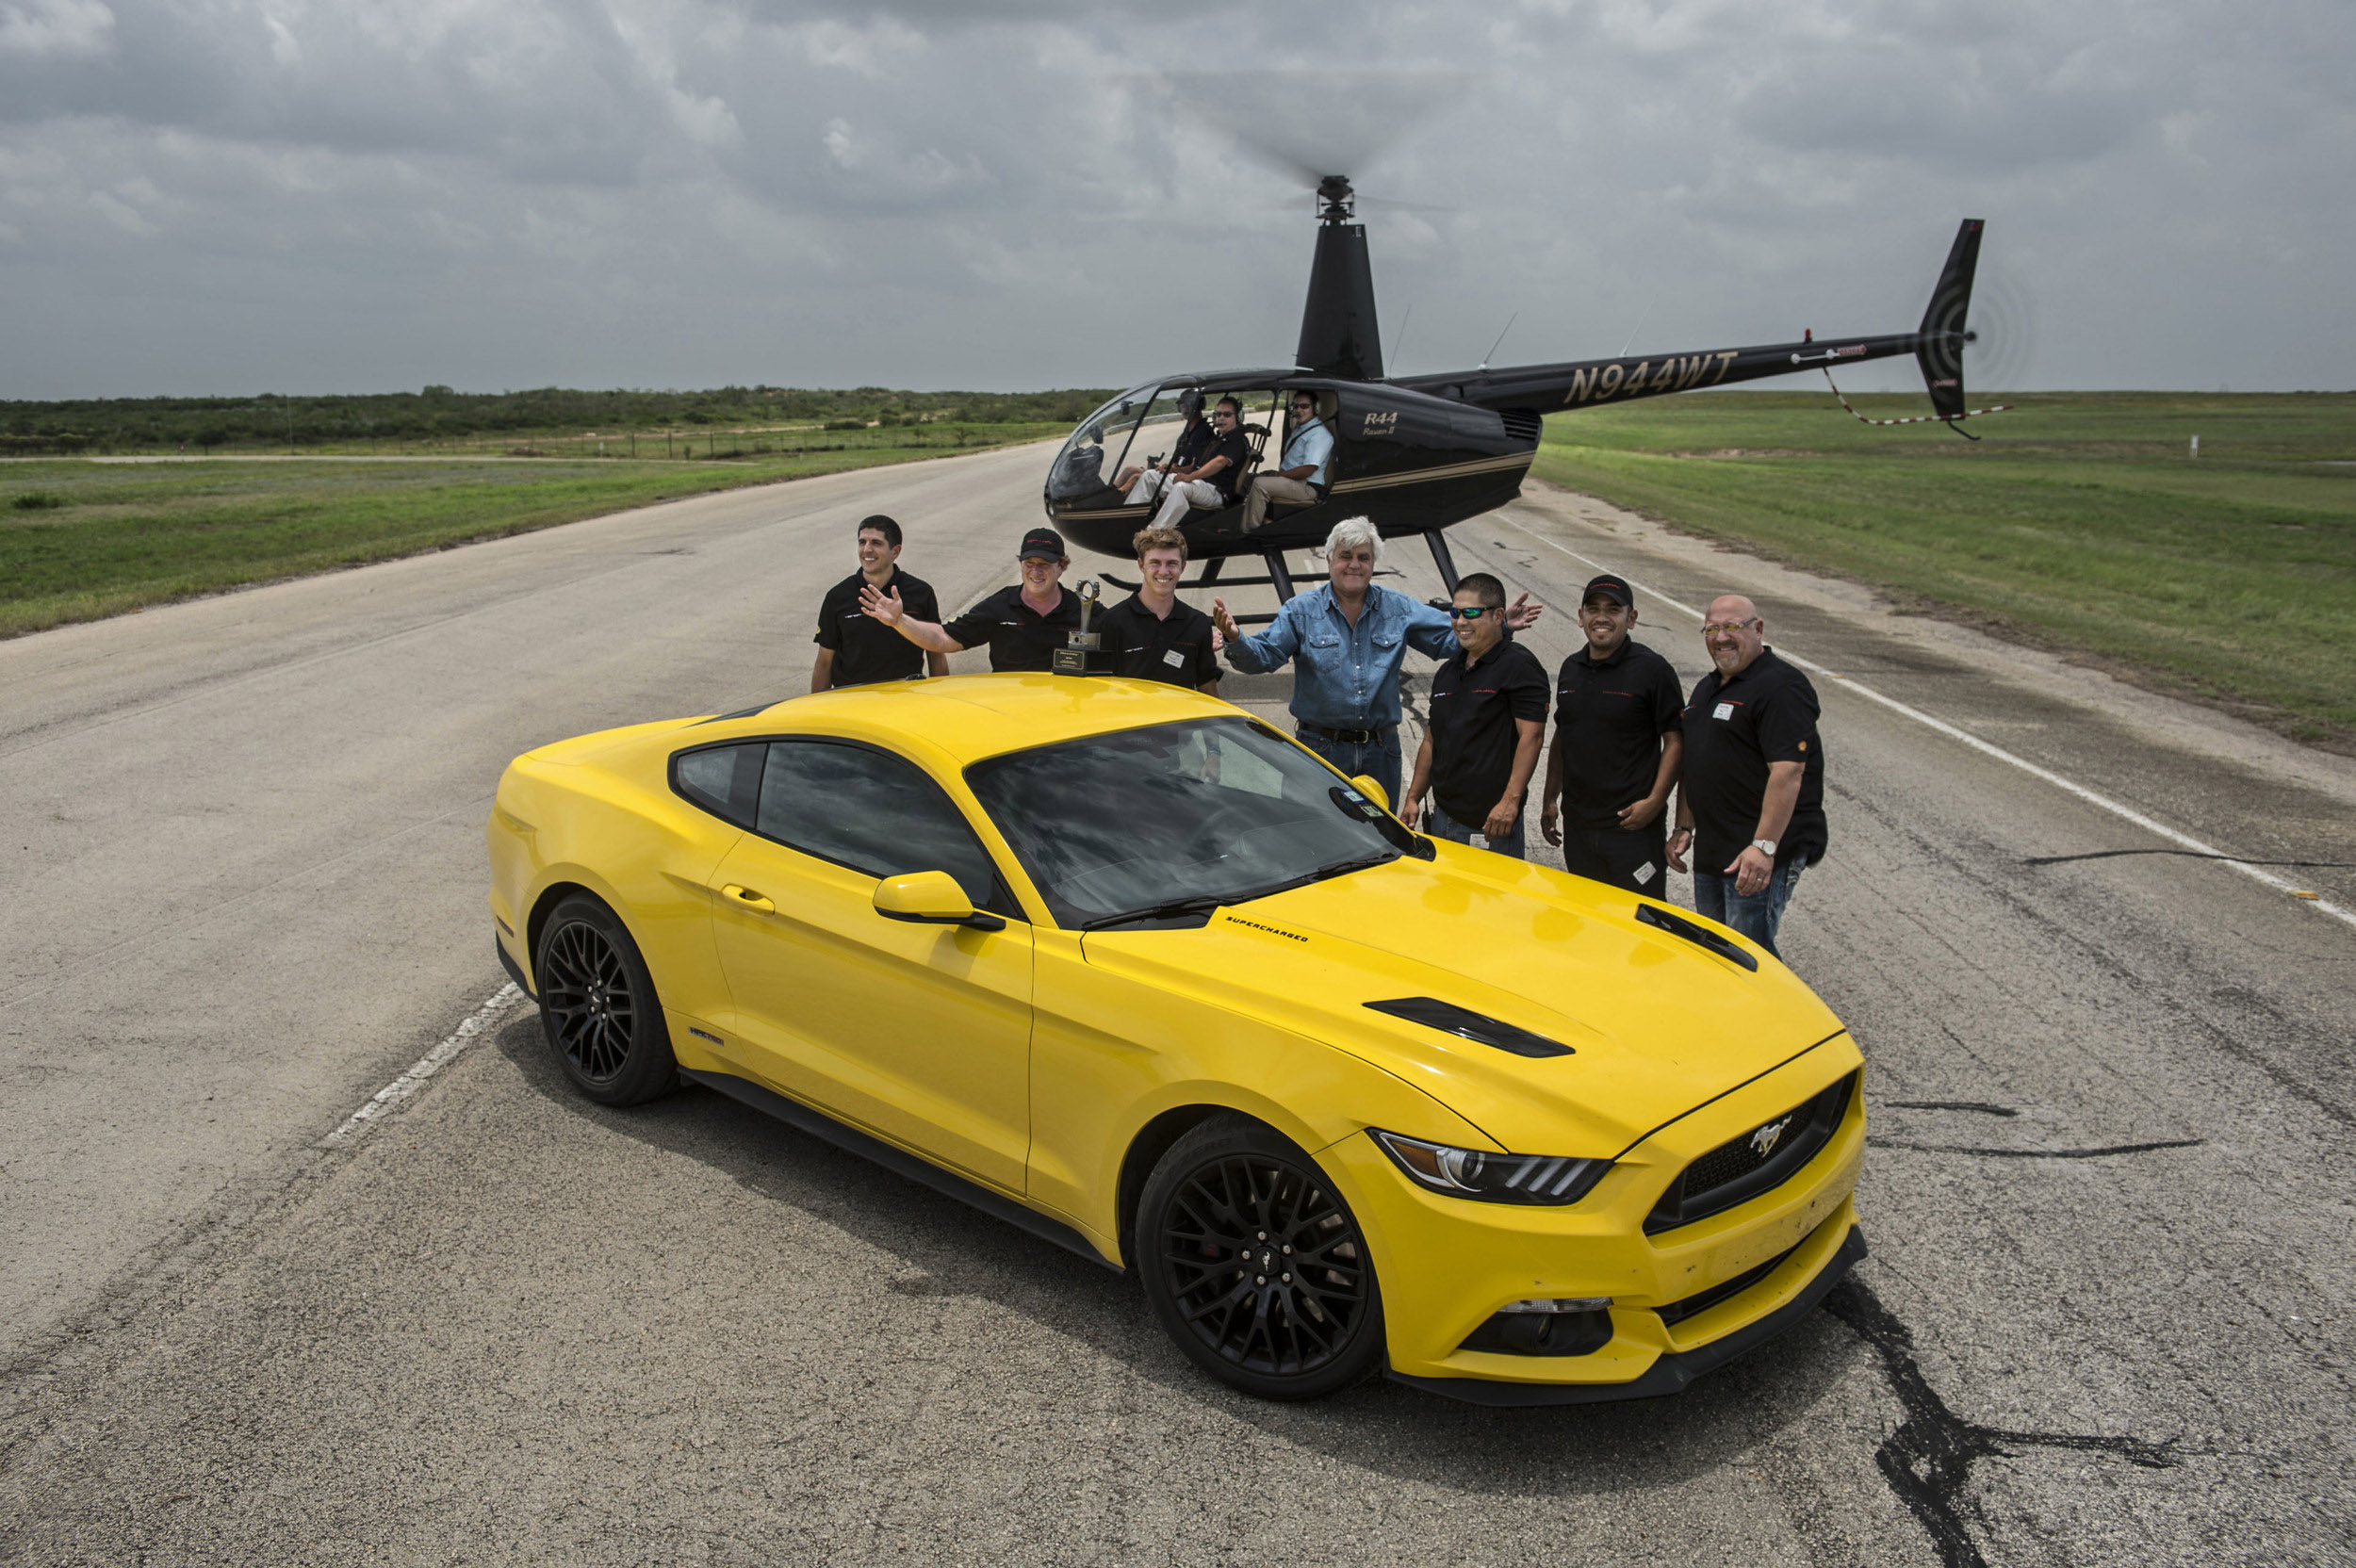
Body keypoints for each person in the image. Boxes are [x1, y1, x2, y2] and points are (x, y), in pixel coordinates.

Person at [1212, 515, 1542, 807]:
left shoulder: (1398, 607)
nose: (1354, 564)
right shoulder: (1301, 611)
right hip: (1320, 750)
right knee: (1316, 838)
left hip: (1381, 751)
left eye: (1363, 557)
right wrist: (1236, 638)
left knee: (1381, 846)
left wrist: (1496, 625)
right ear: (1329, 559)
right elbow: (1264, 657)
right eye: (1345, 556)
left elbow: (1450, 638)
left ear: (1373, 563)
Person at [1666, 594, 1827, 957]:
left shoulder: (1781, 687)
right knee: (1716, 952)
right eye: (1712, 629)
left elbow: (1788, 771)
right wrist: (1683, 827)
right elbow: (1697, 761)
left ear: (1758, 629)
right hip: (1714, 849)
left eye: (1732, 627)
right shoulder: (1709, 687)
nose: (1721, 637)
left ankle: (1781, 1016)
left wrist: (1764, 847)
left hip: (1756, 852)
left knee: (1749, 957)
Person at [1538, 573, 1685, 892]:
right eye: (1593, 609)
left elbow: (1675, 741)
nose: (1601, 617)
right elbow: (1563, 738)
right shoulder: (1570, 669)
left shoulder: (1653, 670)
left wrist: (1655, 801)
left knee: (1639, 925)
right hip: (1578, 826)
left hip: (1632, 828)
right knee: (1589, 922)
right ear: (1580, 617)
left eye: (1613, 609)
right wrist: (1550, 798)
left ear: (1631, 618)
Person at [1399, 573, 1548, 858]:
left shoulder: (1519, 666)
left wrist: (1510, 802)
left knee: (1493, 903)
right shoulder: (1448, 671)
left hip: (1491, 827)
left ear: (1498, 616)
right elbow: (1431, 740)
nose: (1460, 621)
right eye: (1455, 612)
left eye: (1471, 612)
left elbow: (1532, 737)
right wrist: (1413, 797)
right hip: (1442, 821)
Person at [862, 526, 1082, 673]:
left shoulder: (1084, 611)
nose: (1036, 571)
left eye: (1044, 564)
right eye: (1029, 563)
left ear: (1061, 567)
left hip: (1063, 714)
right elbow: (943, 639)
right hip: (1011, 710)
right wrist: (899, 621)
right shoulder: (1000, 606)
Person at [810, 514, 950, 692]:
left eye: (876, 543)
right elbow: (823, 663)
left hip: (906, 697)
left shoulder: (921, 593)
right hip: (851, 699)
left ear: (895, 551)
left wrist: (943, 701)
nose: (866, 549)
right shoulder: (837, 597)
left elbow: (936, 654)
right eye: (862, 542)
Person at [1097, 526, 1221, 692]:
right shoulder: (1111, 622)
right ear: (1141, 565)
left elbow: (1207, 687)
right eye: (1155, 563)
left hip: (1181, 716)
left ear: (1183, 566)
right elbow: (1099, 689)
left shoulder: (1198, 623)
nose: (1163, 571)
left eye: (1172, 563)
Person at [1149, 398, 1252, 530]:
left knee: (1181, 486)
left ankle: (1155, 532)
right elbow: (1194, 466)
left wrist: (1189, 477)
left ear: (1238, 417)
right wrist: (1174, 470)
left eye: (1227, 415)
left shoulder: (1237, 440)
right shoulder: (1216, 439)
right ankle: (1130, 523)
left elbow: (1219, 462)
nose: (1221, 418)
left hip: (1216, 491)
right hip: (1200, 484)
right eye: (1218, 414)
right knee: (1151, 475)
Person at [1241, 391, 1333, 532]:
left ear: (1316, 408)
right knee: (1249, 478)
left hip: (1307, 486)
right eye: (1296, 406)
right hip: (1294, 481)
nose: (1299, 410)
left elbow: (1308, 469)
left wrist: (1279, 475)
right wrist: (1277, 474)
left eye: (1304, 406)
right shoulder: (1302, 428)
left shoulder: (1319, 435)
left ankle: (1250, 530)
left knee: (1260, 484)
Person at [1113, 389, 1211, 503]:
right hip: (1174, 474)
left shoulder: (1204, 433)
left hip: (1186, 480)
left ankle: (1115, 504)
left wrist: (1173, 469)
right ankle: (1108, 496)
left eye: (1189, 404)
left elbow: (1195, 468)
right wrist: (1164, 467)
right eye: (1182, 405)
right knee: (1129, 469)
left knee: (1136, 478)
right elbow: (1176, 461)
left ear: (1199, 405)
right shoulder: (1186, 434)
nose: (1184, 408)